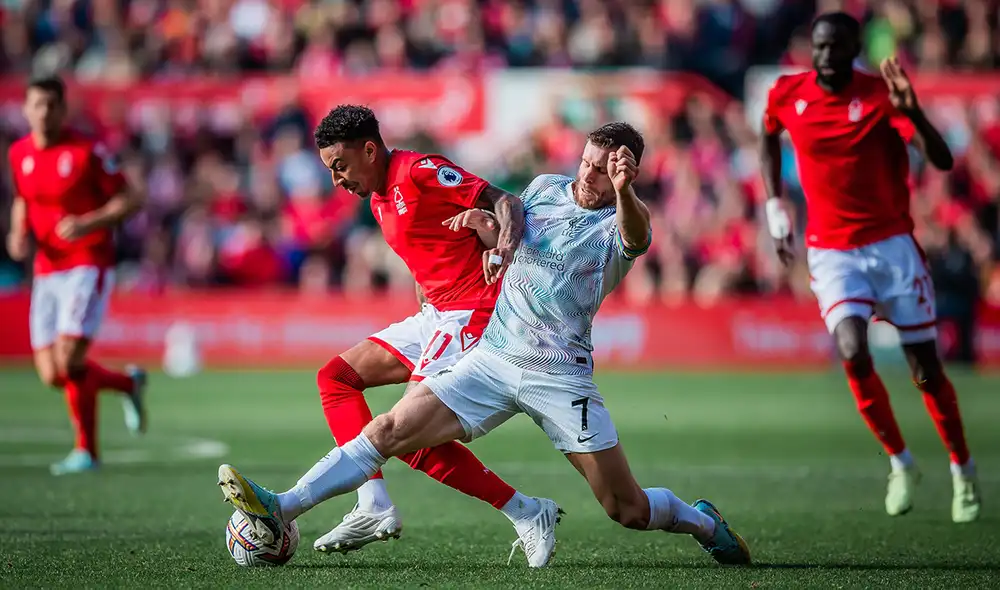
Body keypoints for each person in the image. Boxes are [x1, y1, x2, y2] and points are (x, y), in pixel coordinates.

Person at [217, 122, 751, 567]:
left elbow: (638, 238)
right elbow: (511, 234)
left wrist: (625, 191)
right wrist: (484, 230)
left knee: (626, 509)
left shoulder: (619, 220)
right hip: (492, 358)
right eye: (588, 162)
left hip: (559, 375)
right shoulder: (543, 188)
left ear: (626, 172)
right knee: (390, 429)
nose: (590, 174)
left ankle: (701, 521)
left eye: (605, 169)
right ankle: (283, 506)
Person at [304, 105, 560, 563]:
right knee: (336, 379)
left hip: (471, 312)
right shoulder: (378, 197)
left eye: (340, 166)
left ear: (368, 149)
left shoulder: (420, 171)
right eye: (330, 171)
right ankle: (372, 503)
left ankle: (523, 510)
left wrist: (501, 250)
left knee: (404, 430)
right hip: (437, 313)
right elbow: (432, 247)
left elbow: (506, 202)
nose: (337, 180)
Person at [759, 12, 980, 523]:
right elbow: (767, 135)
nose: (825, 56)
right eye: (818, 46)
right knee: (853, 351)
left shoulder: (881, 94)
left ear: (855, 47)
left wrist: (915, 114)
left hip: (892, 247)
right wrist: (775, 208)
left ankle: (962, 469)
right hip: (832, 250)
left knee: (925, 371)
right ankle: (901, 461)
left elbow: (942, 160)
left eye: (835, 46)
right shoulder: (788, 93)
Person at [5, 75, 147, 475]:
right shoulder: (19, 154)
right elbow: (21, 198)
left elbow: (132, 197)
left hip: (87, 262)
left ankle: (87, 451)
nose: (44, 112)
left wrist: (88, 223)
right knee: (52, 374)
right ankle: (127, 385)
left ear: (63, 109)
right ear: (26, 109)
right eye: (37, 104)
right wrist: (18, 233)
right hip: (46, 270)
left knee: (69, 361)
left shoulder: (87, 152)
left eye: (52, 105)